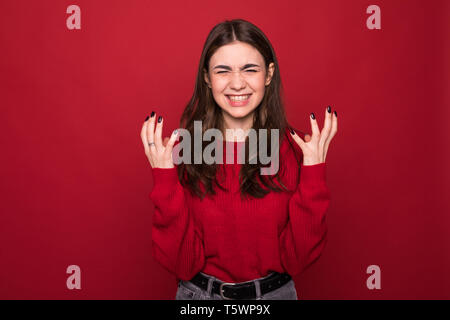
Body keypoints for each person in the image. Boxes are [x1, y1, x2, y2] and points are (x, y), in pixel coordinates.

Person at [140, 19, 337, 300]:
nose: (237, 83)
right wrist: (164, 178)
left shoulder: (297, 149)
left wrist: (313, 174)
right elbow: (181, 265)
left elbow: (298, 261)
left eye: (250, 69)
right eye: (223, 71)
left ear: (268, 74)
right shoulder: (181, 149)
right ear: (207, 78)